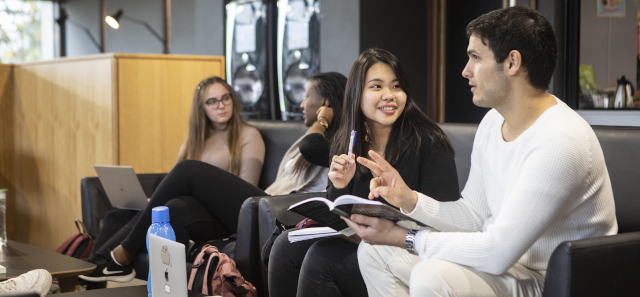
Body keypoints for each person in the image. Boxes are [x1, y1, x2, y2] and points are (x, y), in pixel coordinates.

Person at [343, 7, 617, 297]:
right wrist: (409, 199)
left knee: (432, 275)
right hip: (511, 270)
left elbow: (498, 251)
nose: (465, 70)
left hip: (555, 280)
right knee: (375, 253)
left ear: (512, 62)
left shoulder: (560, 141)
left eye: (475, 57)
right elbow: (474, 215)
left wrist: (406, 237)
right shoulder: (494, 121)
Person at [80, 73, 347, 284]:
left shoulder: (338, 142)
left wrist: (323, 120)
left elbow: (310, 147)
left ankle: (121, 255)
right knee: (171, 207)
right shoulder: (311, 137)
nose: (301, 104)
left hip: (273, 213)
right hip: (261, 207)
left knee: (187, 170)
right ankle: (94, 269)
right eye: (212, 101)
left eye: (307, 97)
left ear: (325, 104)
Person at [268, 48, 460, 297]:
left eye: (396, 86)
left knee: (322, 258)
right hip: (362, 242)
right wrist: (339, 185)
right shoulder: (348, 141)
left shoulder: (428, 141)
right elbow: (340, 212)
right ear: (356, 94)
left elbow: (447, 220)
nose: (389, 95)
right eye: (377, 87)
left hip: (409, 253)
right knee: (286, 246)